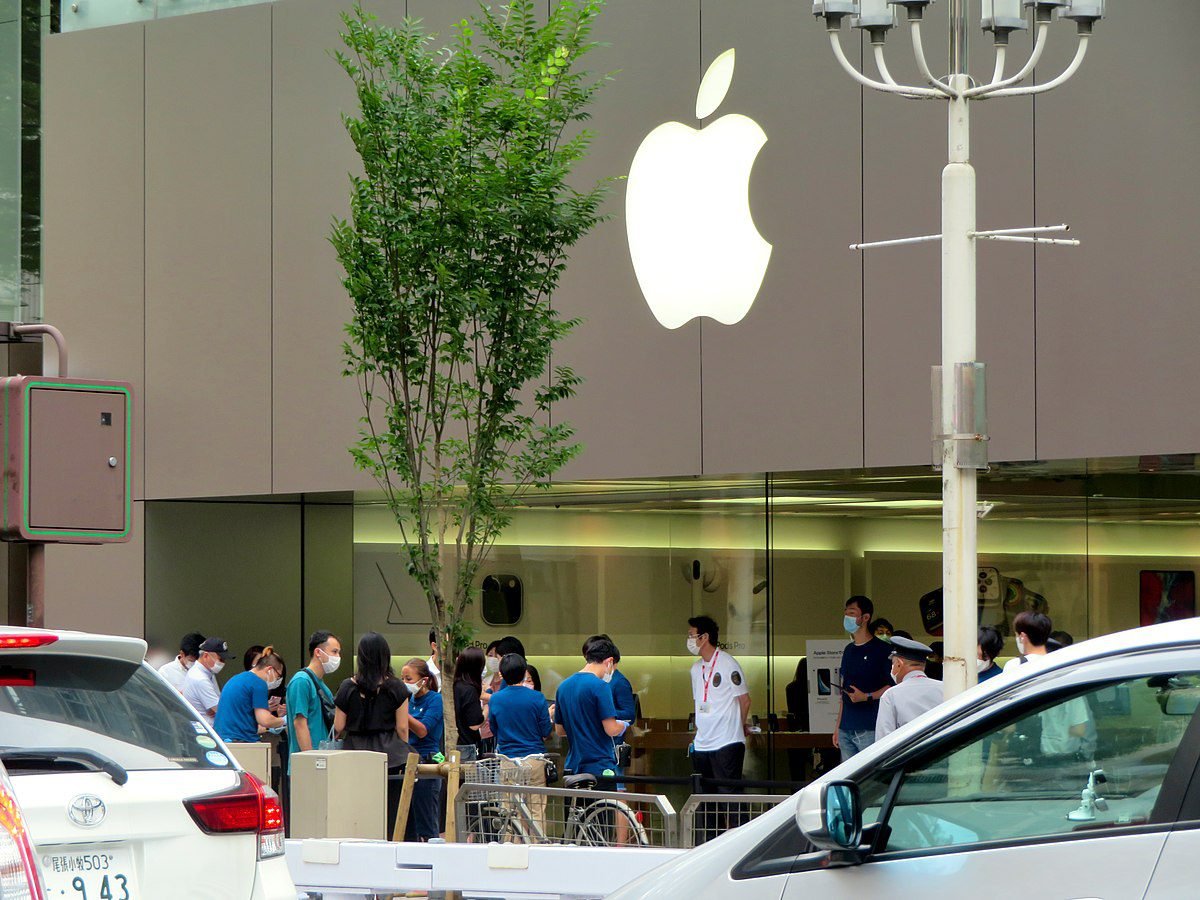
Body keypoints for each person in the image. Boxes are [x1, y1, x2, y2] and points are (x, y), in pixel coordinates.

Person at [333, 632, 411, 839]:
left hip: (354, 754)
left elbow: (339, 726)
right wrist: (402, 750)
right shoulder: (396, 687)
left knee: (357, 805)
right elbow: (403, 728)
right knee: (389, 807)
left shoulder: (347, 686)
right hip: (390, 755)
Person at [686, 615, 750, 787]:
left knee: (728, 797)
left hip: (726, 742)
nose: (689, 640)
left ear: (704, 637)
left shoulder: (728, 663)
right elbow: (699, 703)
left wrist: (739, 726)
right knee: (705, 799)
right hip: (702, 743)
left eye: (691, 635)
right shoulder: (695, 669)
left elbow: (745, 700)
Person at [554, 636, 627, 780]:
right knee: (604, 803)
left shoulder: (563, 686)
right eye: (614, 667)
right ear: (609, 661)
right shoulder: (601, 687)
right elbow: (611, 729)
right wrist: (623, 726)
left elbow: (560, 730)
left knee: (576, 803)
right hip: (599, 766)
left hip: (573, 767)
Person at [834, 596, 892, 761]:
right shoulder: (848, 650)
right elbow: (843, 692)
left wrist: (867, 696)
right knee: (849, 777)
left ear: (865, 617)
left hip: (870, 726)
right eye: (846, 613)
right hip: (846, 727)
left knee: (870, 775)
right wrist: (838, 726)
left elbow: (892, 686)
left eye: (852, 613)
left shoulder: (882, 650)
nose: (847, 617)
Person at [401, 658, 444, 842]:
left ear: (423, 680)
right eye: (402, 678)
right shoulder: (407, 700)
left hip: (429, 763)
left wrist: (401, 712)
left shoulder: (435, 699)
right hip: (408, 761)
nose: (405, 683)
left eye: (409, 679)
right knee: (408, 820)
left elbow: (422, 730)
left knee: (426, 817)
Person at [286, 630, 341, 764]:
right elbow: (299, 723)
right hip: (308, 762)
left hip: (322, 758)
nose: (338, 657)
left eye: (339, 652)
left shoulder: (321, 685)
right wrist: (309, 760)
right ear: (318, 652)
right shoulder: (301, 681)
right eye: (334, 652)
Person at [213, 646, 286, 743]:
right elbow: (265, 720)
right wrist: (285, 720)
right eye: (278, 675)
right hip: (241, 741)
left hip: (222, 739)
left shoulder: (237, 678)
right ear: (270, 669)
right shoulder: (258, 684)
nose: (278, 680)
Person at [875, 636, 943, 740]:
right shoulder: (944, 688)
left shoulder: (891, 695)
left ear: (899, 664)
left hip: (908, 755)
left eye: (893, 663)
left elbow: (883, 740)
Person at [585, 634, 636, 722]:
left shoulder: (619, 682)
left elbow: (629, 714)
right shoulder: (590, 679)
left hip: (611, 733)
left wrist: (602, 712)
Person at [183, 637, 232, 720]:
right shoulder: (200, 678)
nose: (222, 663)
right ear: (206, 656)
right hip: (208, 727)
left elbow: (217, 705)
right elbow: (222, 710)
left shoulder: (207, 672)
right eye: (220, 659)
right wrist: (216, 708)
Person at [452, 647, 487, 761]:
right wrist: (487, 709)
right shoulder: (469, 690)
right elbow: (474, 724)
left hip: (454, 745)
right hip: (467, 748)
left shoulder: (455, 686)